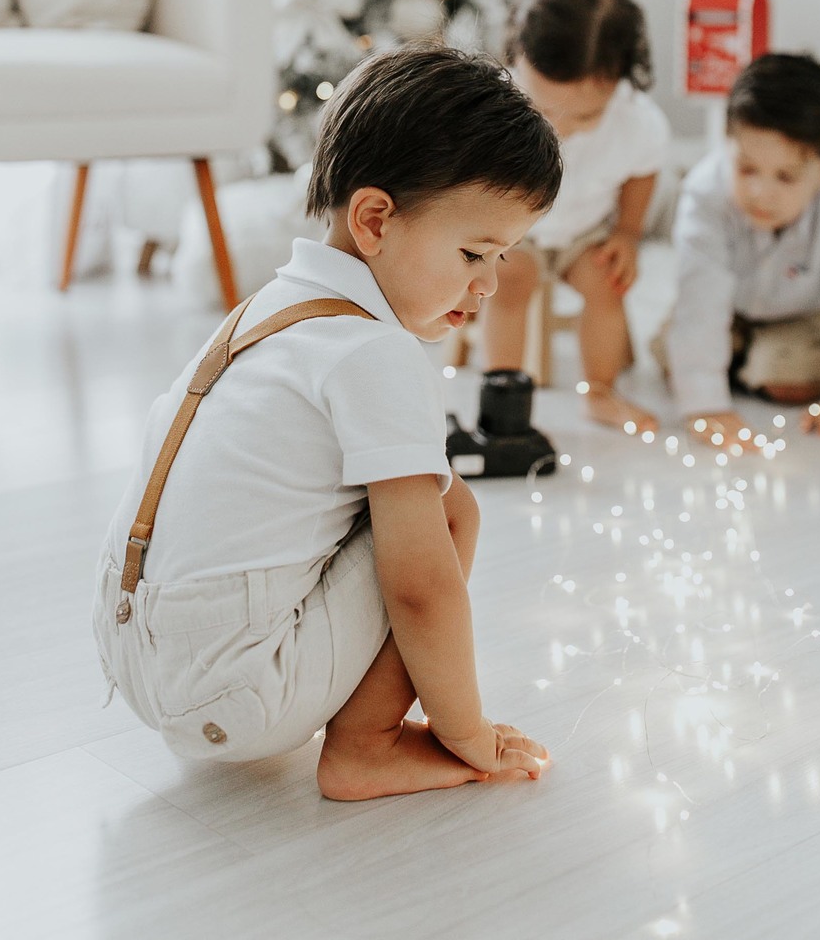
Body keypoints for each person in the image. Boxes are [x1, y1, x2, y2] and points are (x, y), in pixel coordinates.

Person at [92, 42, 560, 800]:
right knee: (448, 512)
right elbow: (421, 589)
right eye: (476, 252)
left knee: (399, 497)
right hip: (232, 692)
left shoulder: (268, 309)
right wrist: (467, 733)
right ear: (374, 218)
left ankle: (336, 723)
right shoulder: (373, 353)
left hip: (129, 647)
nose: (489, 286)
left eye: (502, 259)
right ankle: (366, 747)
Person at [657, 51, 820, 447]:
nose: (761, 193)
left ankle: (746, 363)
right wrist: (705, 404)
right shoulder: (705, 194)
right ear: (727, 146)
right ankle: (735, 359)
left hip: (810, 313)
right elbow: (701, 297)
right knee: (677, 348)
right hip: (732, 309)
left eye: (786, 177)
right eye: (747, 169)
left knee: (783, 373)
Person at [480, 0, 672, 435]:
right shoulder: (496, 102)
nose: (560, 128)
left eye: (584, 116)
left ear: (621, 81)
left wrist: (627, 232)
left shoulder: (636, 122)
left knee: (607, 283)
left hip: (584, 233)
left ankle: (600, 392)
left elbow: (643, 172)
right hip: (514, 233)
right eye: (544, 110)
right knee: (510, 280)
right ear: (519, 60)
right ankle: (503, 393)